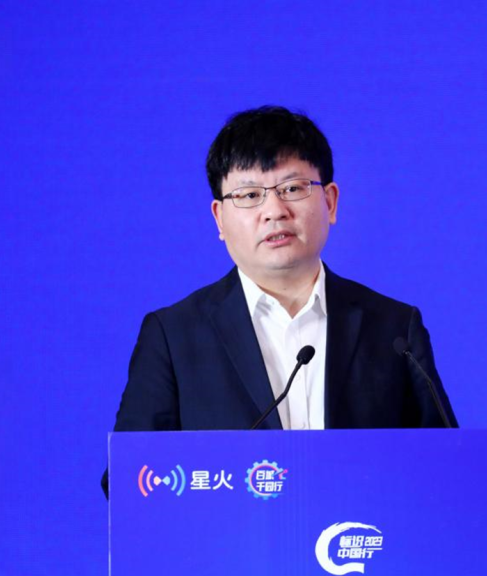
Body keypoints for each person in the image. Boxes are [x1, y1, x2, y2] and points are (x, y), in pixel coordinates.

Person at [104, 106, 455, 495]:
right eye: (249, 195)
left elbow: (450, 469)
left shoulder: (394, 329)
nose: (274, 211)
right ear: (219, 219)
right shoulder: (173, 336)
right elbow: (128, 482)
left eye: (293, 188)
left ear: (330, 202)